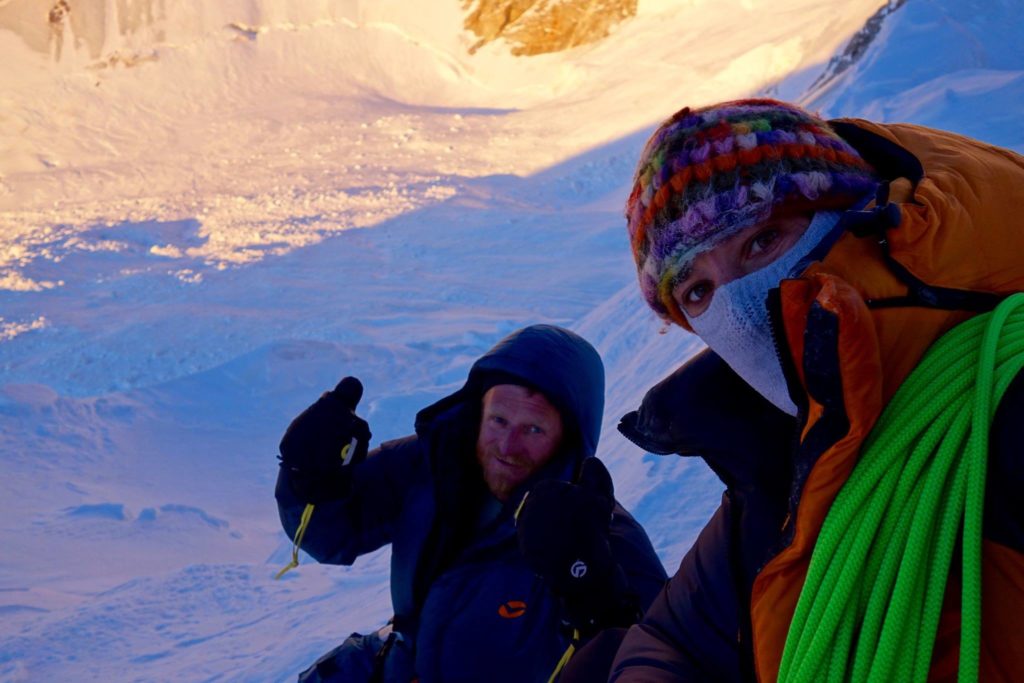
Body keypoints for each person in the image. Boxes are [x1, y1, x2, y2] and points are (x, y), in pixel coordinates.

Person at [610, 99, 1024, 680]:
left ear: (850, 214)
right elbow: (671, 640)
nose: (742, 310)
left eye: (761, 242)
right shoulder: (776, 455)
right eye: (698, 292)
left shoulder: (1007, 405)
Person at [274, 324, 667, 682]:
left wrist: (601, 610)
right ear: (476, 413)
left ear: (569, 441)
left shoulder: (597, 541)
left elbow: (664, 659)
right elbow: (331, 535)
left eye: (533, 428)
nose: (507, 447)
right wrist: (307, 479)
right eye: (498, 420)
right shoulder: (431, 466)